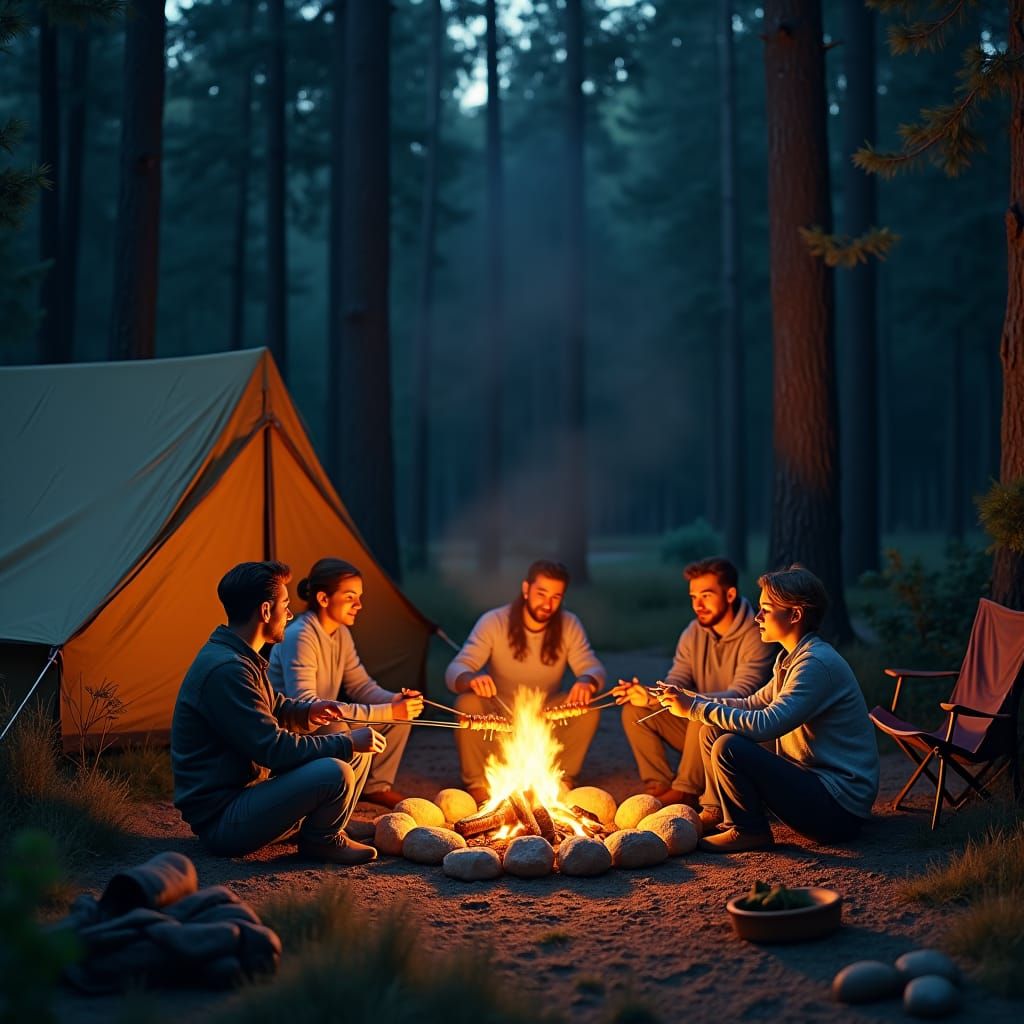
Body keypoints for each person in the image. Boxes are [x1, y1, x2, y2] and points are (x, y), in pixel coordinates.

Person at [171, 560, 386, 865]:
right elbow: (274, 750)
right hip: (225, 819)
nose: (289, 614)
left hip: (250, 798)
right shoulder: (228, 669)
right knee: (336, 768)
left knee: (356, 752)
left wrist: (308, 712)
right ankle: (321, 840)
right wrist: (347, 742)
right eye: (285, 605)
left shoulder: (240, 656)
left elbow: (274, 706)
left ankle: (323, 825)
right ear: (265, 611)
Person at [655, 565, 880, 853]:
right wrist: (690, 700)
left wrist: (696, 708)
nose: (757, 617)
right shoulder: (791, 659)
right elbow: (752, 703)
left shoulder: (815, 664)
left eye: (766, 609)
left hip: (838, 808)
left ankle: (749, 830)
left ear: (795, 615)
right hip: (815, 789)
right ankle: (719, 812)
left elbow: (767, 724)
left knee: (728, 746)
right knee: (712, 730)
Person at [612, 557, 775, 807]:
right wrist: (651, 695)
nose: (698, 605)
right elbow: (676, 680)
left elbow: (743, 694)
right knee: (635, 710)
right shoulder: (693, 632)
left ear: (730, 595)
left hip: (742, 733)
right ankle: (659, 786)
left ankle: (686, 791)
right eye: (693, 597)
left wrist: (691, 702)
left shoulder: (758, 633)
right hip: (697, 729)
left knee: (702, 712)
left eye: (706, 596)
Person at [444, 559, 606, 804]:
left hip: (545, 718)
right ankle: (478, 784)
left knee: (588, 709)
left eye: (555, 597)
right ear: (526, 589)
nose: (547, 604)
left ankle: (562, 780)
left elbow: (592, 667)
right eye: (541, 593)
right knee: (467, 703)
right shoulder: (494, 621)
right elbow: (456, 669)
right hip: (498, 718)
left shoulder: (569, 624)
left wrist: (586, 681)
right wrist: (472, 678)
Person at [267, 557, 424, 809]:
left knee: (400, 718)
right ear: (323, 598)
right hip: (296, 728)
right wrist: (388, 710)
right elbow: (306, 705)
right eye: (350, 597)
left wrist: (395, 701)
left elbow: (360, 685)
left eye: (359, 597)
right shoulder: (300, 636)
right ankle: (332, 800)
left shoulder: (340, 633)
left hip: (324, 717)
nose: (359, 605)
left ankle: (375, 787)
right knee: (340, 726)